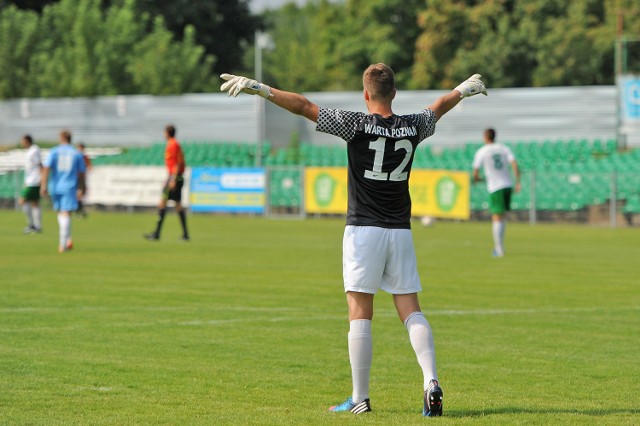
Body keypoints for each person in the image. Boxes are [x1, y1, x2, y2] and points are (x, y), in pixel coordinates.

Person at [220, 65, 487, 416]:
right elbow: (438, 107)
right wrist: (463, 89)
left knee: (360, 313)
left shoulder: (355, 124)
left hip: (363, 231)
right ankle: (430, 381)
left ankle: (360, 398)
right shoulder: (414, 125)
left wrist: (260, 89)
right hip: (400, 231)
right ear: (394, 93)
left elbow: (303, 106)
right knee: (411, 309)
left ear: (366, 95)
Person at [472, 128, 521, 257]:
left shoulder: (482, 151)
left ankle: (499, 249)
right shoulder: (503, 148)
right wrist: (518, 182)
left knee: (496, 217)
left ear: (485, 137)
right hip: (507, 185)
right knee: (502, 216)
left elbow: (475, 173)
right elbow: (514, 163)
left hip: (495, 187)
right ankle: (500, 247)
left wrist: (479, 179)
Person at [41, 130, 86, 253]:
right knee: (66, 212)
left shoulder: (54, 151)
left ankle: (67, 240)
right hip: (70, 186)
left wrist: (43, 185)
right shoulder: (76, 153)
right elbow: (82, 173)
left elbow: (46, 168)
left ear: (61, 138)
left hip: (55, 185)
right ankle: (63, 243)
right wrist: (82, 187)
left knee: (62, 212)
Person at [144, 124, 189, 241]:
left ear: (167, 133)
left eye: (164, 132)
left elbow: (177, 163)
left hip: (175, 177)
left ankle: (157, 233)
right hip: (175, 177)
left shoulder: (173, 145)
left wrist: (172, 178)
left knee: (163, 203)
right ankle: (185, 234)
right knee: (178, 205)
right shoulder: (173, 144)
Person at [19, 134, 43, 234]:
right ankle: (37, 226)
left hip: (34, 181)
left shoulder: (34, 150)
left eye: (22, 141)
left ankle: (32, 225)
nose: (21, 143)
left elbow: (40, 164)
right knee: (34, 203)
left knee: (22, 201)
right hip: (30, 181)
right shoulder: (29, 151)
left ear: (27, 141)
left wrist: (41, 179)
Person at [75, 142, 92, 217]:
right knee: (77, 194)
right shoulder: (74, 156)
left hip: (81, 178)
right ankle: (77, 209)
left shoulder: (84, 157)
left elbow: (89, 167)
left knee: (81, 193)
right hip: (74, 178)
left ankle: (79, 209)